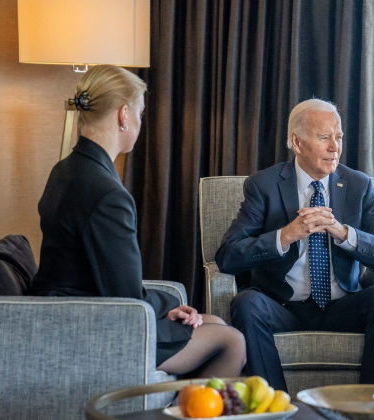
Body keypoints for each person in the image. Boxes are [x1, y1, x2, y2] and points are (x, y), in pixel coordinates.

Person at [30, 65, 246, 378]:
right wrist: (170, 302)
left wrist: (168, 305)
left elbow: (110, 281)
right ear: (123, 114)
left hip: (71, 312)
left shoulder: (65, 170)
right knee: (232, 341)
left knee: (216, 323)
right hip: (92, 327)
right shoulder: (107, 193)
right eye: (141, 114)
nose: (140, 122)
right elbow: (127, 298)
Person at [215, 98, 374, 392]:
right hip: (283, 305)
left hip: (343, 304)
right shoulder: (264, 185)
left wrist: (343, 233)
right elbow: (228, 256)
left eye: (338, 137)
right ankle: (276, 406)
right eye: (323, 137)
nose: (335, 147)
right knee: (247, 303)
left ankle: (371, 405)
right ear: (297, 142)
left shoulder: (359, 185)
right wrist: (287, 234)